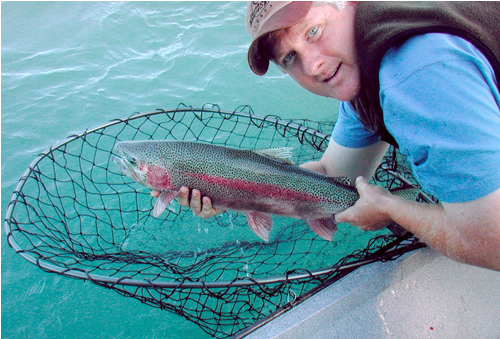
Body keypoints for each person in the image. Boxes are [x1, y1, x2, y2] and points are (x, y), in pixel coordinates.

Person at [160, 1, 500, 271]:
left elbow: (492, 245)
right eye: (290, 57)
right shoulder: (362, 69)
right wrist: (241, 191)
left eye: (313, 32)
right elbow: (332, 173)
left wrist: (391, 207)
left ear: (349, 4)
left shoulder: (413, 74)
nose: (313, 67)